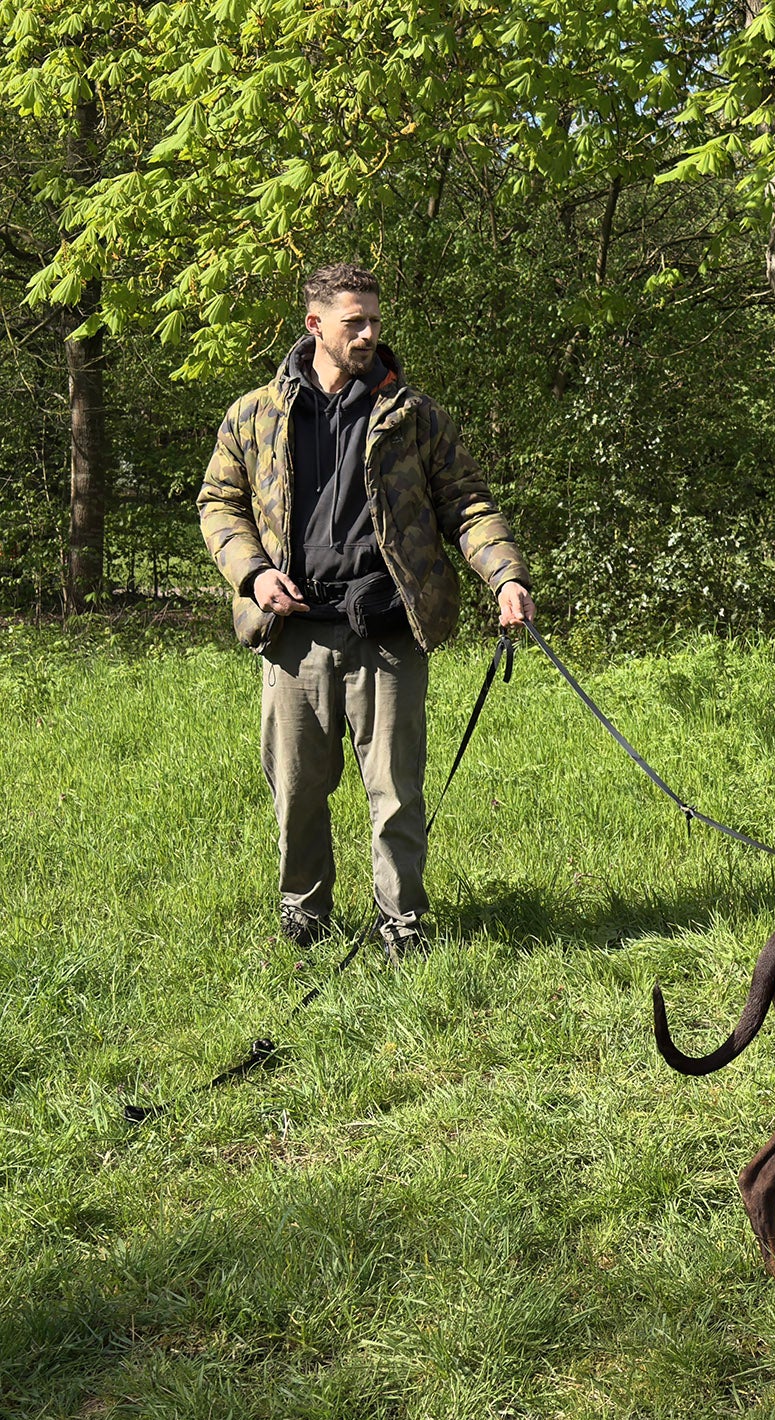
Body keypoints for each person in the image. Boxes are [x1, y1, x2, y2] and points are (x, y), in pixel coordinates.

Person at [198, 262, 535, 961]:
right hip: (292, 635)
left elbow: (467, 505)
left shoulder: (413, 417)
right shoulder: (255, 413)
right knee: (296, 794)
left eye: (375, 320)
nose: (370, 334)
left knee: (395, 798)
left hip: (385, 635)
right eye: (356, 322)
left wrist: (504, 575)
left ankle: (402, 923)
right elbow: (218, 504)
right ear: (314, 324)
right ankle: (304, 913)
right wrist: (254, 576)